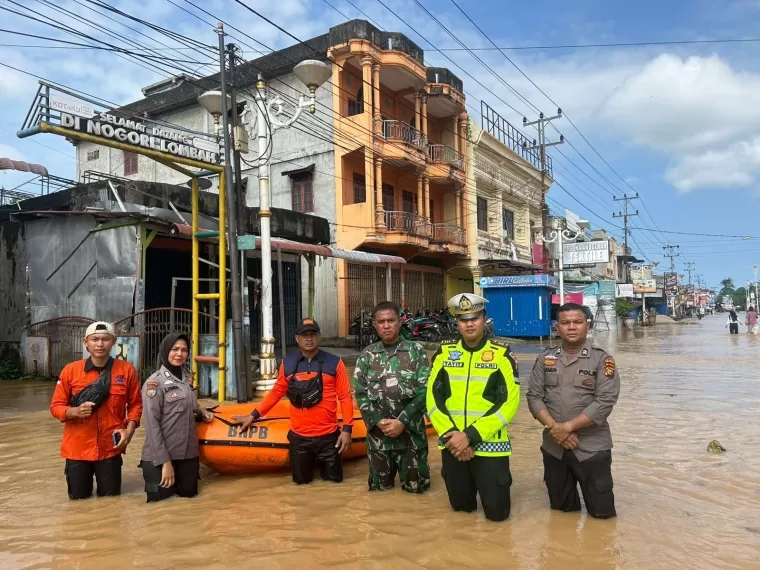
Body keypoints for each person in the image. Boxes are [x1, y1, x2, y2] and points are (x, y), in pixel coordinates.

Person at [427, 293, 520, 522]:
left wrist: (469, 436)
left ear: (484, 319)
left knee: (498, 518)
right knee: (461, 517)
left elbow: (509, 403)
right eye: (463, 319)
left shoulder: (502, 355)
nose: (469, 323)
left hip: (491, 448)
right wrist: (454, 438)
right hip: (452, 447)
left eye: (475, 318)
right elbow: (432, 398)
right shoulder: (444, 353)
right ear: (457, 323)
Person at [526, 302, 620, 519]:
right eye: (565, 322)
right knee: (561, 515)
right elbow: (534, 396)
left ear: (588, 325)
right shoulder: (545, 358)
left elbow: (605, 402)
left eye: (577, 322)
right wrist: (555, 429)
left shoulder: (602, 359)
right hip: (554, 449)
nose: (571, 327)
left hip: (591, 449)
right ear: (557, 327)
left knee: (601, 516)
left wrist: (567, 427)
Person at [232, 318, 354, 484]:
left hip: (329, 438)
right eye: (304, 335)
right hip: (299, 439)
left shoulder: (335, 363)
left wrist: (347, 430)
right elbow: (276, 392)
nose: (309, 338)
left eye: (313, 334)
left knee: (333, 487)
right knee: (300, 486)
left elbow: (345, 397)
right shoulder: (287, 363)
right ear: (297, 339)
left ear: (319, 337)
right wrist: (253, 415)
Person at [50, 321, 142, 500]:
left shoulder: (126, 370)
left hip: (110, 448)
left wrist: (129, 432)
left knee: (110, 504)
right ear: (86, 342)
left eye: (105, 339)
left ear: (113, 341)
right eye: (95, 339)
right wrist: (74, 412)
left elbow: (136, 404)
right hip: (77, 449)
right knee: (78, 503)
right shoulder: (70, 371)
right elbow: (56, 407)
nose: (100, 344)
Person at [353, 301, 431, 493]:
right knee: (380, 496)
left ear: (400, 321)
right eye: (381, 321)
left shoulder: (416, 352)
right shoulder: (367, 356)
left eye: (391, 320)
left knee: (416, 494)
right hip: (379, 441)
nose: (386, 325)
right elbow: (360, 394)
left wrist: (402, 422)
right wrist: (378, 422)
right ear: (375, 325)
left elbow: (425, 391)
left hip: (411, 440)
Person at [140, 333, 213, 503]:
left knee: (189, 506)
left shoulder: (186, 379)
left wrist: (202, 410)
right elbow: (152, 425)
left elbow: (190, 403)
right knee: (161, 511)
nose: (179, 354)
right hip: (160, 458)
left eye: (184, 350)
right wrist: (165, 463)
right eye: (175, 349)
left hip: (188, 454)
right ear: (166, 351)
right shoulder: (154, 384)